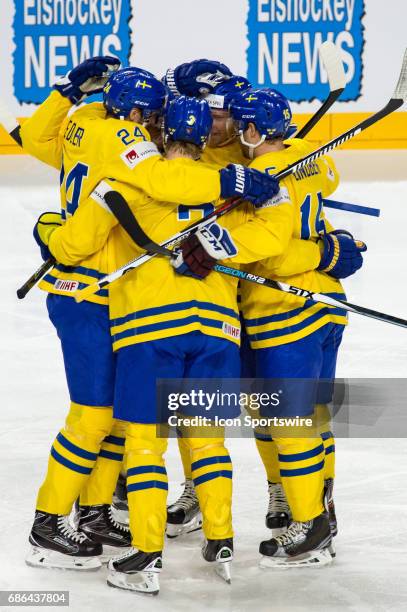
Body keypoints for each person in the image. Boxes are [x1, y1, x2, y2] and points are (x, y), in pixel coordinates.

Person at [23, 57, 276, 570]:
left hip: (107, 293)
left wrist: (65, 93)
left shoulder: (85, 123)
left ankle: (93, 511)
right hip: (88, 289)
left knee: (120, 417)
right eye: (152, 115)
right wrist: (234, 179)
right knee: (94, 416)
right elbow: (166, 180)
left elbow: (32, 138)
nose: (156, 124)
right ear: (136, 112)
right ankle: (47, 523)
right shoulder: (123, 140)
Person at [229, 87, 366, 567]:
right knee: (313, 419)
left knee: (287, 421)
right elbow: (325, 175)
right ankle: (314, 512)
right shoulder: (309, 156)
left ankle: (311, 527)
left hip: (282, 308)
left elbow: (265, 249)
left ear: (250, 131)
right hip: (328, 302)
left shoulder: (261, 175)